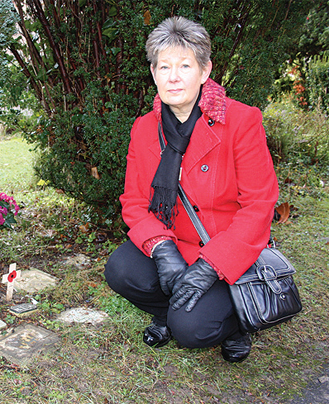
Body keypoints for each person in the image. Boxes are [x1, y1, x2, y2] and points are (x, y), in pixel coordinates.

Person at [104, 16, 279, 363]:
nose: (173, 76)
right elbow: (134, 201)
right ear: (153, 73)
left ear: (205, 70)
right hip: (177, 244)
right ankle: (168, 311)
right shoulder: (143, 129)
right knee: (120, 269)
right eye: (163, 66)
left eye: (185, 65)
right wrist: (161, 248)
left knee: (191, 330)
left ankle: (234, 326)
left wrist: (211, 266)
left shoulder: (242, 121)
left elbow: (259, 206)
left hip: (229, 251)